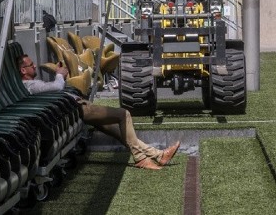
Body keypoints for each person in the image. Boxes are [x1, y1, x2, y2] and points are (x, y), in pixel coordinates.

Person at [18, 54, 179, 170]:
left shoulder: (31, 84)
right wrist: (59, 75)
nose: (34, 66)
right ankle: (141, 158)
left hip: (76, 106)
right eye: (30, 65)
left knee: (120, 133)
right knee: (124, 115)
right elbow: (56, 87)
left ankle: (158, 155)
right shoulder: (29, 86)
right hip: (78, 109)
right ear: (23, 71)